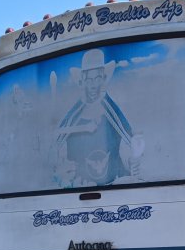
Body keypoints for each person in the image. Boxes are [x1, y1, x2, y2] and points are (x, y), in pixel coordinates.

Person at [56, 49, 142, 187]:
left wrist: (134, 162)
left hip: (116, 189)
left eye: (97, 79)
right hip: (76, 191)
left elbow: (130, 142)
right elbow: (54, 149)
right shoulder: (73, 116)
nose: (93, 85)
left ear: (103, 79)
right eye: (89, 79)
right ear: (83, 81)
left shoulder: (112, 111)